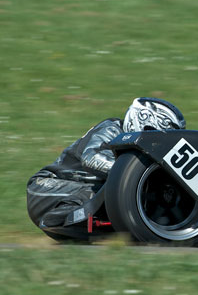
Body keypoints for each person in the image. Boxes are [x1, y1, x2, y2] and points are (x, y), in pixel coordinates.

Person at [26, 98, 186, 233]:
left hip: (82, 190)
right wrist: (129, 176)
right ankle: (63, 217)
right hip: (45, 188)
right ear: (146, 122)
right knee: (107, 192)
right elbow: (91, 158)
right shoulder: (112, 128)